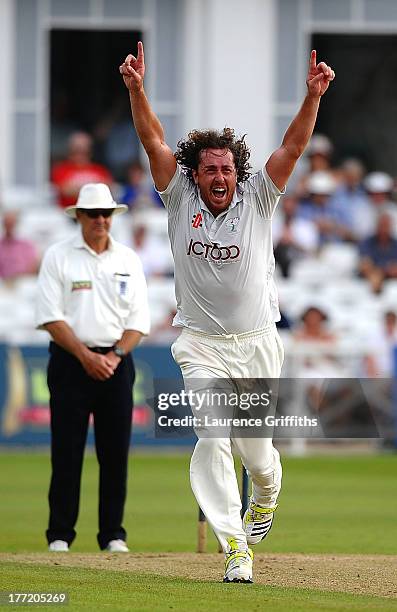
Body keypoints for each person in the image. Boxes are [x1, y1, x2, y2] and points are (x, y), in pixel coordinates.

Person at [120, 42, 335, 582]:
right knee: (213, 438)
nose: (219, 178)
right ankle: (235, 545)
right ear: (195, 173)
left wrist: (312, 96)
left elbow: (293, 145)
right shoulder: (178, 198)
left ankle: (265, 494)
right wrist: (136, 89)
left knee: (257, 456)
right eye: (209, 169)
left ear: (237, 172)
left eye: (227, 169)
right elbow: (153, 140)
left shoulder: (260, 197)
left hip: (258, 342)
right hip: (201, 345)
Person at [35, 182, 150, 553]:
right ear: (79, 216)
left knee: (115, 453)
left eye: (106, 214)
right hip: (71, 362)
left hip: (117, 363)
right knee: (66, 452)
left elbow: (138, 321)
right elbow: (51, 317)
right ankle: (60, 535)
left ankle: (113, 534)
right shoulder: (59, 256)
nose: (100, 220)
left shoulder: (128, 260)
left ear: (113, 217)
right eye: (93, 214)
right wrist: (87, 357)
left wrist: (114, 356)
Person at [51, 132, 113, 209]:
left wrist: (78, 189)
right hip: (68, 214)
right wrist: (94, 190)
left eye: (84, 151)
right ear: (69, 151)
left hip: (95, 214)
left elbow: (108, 190)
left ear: (90, 151)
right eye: (76, 151)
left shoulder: (100, 169)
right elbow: (65, 191)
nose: (80, 155)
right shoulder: (61, 169)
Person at [0, 210, 39, 281]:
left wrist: (20, 278)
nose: (9, 227)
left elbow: (33, 265)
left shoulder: (26, 244)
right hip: (3, 283)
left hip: (23, 282)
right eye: (7, 224)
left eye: (11, 224)